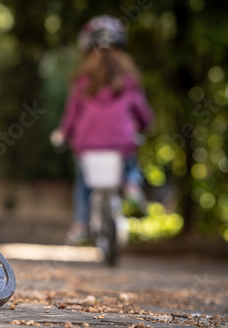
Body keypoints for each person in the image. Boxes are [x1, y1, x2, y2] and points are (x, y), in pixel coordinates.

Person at [51, 15, 153, 245]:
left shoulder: (82, 81)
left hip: (87, 144)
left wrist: (63, 133)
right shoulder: (128, 80)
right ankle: (132, 186)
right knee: (129, 159)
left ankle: (80, 225)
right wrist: (145, 126)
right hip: (121, 142)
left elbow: (72, 114)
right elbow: (141, 112)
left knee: (84, 181)